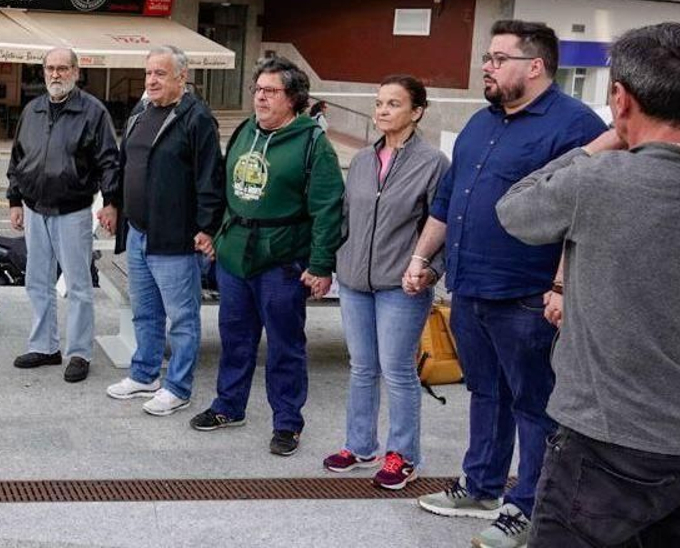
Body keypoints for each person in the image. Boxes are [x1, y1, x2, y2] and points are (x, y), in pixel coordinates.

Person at [496, 22, 680, 546]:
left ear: (621, 99)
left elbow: (515, 210)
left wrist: (599, 145)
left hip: (601, 449)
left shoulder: (600, 182)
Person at [403, 20, 607, 548]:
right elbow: (447, 201)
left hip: (528, 297)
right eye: (487, 59)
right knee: (485, 392)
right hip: (470, 288)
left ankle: (530, 507)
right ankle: (481, 486)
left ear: (535, 66)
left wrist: (560, 287)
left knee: (534, 404)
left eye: (498, 59)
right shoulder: (480, 122)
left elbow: (584, 217)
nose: (487, 68)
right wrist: (422, 257)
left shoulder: (575, 126)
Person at [195, 57, 343, 458]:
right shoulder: (245, 130)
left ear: (292, 98)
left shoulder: (313, 144)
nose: (260, 97)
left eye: (270, 91)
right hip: (235, 258)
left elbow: (328, 209)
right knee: (235, 337)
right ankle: (229, 406)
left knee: (285, 345)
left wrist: (320, 264)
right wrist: (216, 233)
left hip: (282, 260)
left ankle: (287, 422)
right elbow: (226, 188)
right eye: (257, 89)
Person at [323, 75, 448, 489]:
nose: (382, 110)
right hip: (355, 281)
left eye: (393, 103)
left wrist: (431, 270)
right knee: (361, 367)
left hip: (402, 285)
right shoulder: (362, 160)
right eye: (379, 103)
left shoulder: (433, 163)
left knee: (397, 370)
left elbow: (442, 224)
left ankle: (404, 455)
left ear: (417, 112)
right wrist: (337, 261)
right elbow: (346, 217)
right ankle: (360, 445)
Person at [103, 45, 223, 416]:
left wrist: (206, 228)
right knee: (145, 312)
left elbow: (210, 178)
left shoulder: (197, 118)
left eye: (160, 73)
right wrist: (113, 203)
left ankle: (178, 387)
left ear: (181, 77)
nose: (151, 80)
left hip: (175, 238)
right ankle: (144, 375)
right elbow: (126, 163)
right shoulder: (141, 112)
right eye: (148, 73)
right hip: (139, 232)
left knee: (182, 319)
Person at [6, 46, 122, 383]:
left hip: (73, 210)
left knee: (78, 285)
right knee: (37, 282)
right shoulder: (33, 110)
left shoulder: (93, 112)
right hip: (34, 208)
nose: (55, 74)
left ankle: (80, 353)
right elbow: (18, 158)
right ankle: (44, 347)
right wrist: (14, 199)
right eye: (50, 68)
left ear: (76, 72)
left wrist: (111, 202)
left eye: (62, 68)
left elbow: (109, 161)